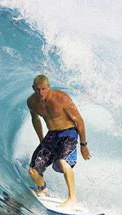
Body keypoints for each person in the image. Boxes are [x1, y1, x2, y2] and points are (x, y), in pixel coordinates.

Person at [27, 74, 91, 207]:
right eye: (38, 89)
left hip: (69, 132)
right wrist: (41, 140)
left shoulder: (62, 98)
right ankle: (42, 188)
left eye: (44, 89)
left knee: (63, 161)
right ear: (33, 88)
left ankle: (72, 198)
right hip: (52, 134)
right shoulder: (32, 102)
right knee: (33, 170)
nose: (41, 92)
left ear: (49, 87)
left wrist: (83, 145)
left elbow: (79, 120)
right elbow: (36, 120)